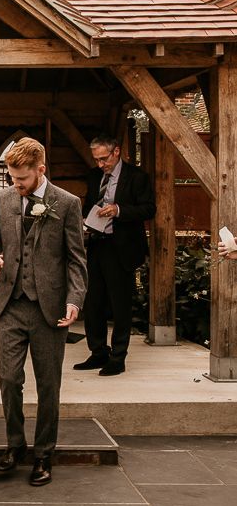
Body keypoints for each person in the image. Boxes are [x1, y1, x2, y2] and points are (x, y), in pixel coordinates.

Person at [0, 137, 87, 487]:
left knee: (48, 384)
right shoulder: (3, 198)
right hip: (10, 304)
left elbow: (76, 259)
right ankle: (15, 444)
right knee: (9, 379)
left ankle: (43, 454)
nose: (15, 185)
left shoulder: (67, 203)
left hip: (49, 309)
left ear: (41, 169)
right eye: (11, 177)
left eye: (22, 179)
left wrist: (74, 300)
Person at [74, 134, 155, 376]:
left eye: (104, 159)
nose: (100, 164)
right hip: (97, 245)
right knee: (93, 302)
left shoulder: (137, 177)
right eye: (97, 160)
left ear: (116, 152)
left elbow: (149, 208)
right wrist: (84, 220)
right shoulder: (94, 175)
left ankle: (118, 358)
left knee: (120, 306)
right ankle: (98, 352)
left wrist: (119, 210)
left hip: (123, 248)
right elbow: (89, 205)